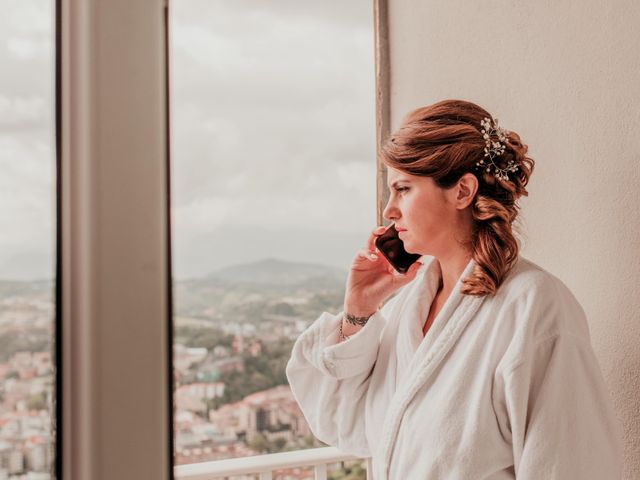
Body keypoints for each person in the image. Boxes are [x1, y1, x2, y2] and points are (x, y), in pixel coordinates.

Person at [285, 99, 623, 479]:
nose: (389, 211)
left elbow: (571, 464)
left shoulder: (535, 308)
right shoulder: (406, 309)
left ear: (462, 191)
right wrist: (359, 311)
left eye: (403, 189)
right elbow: (348, 426)